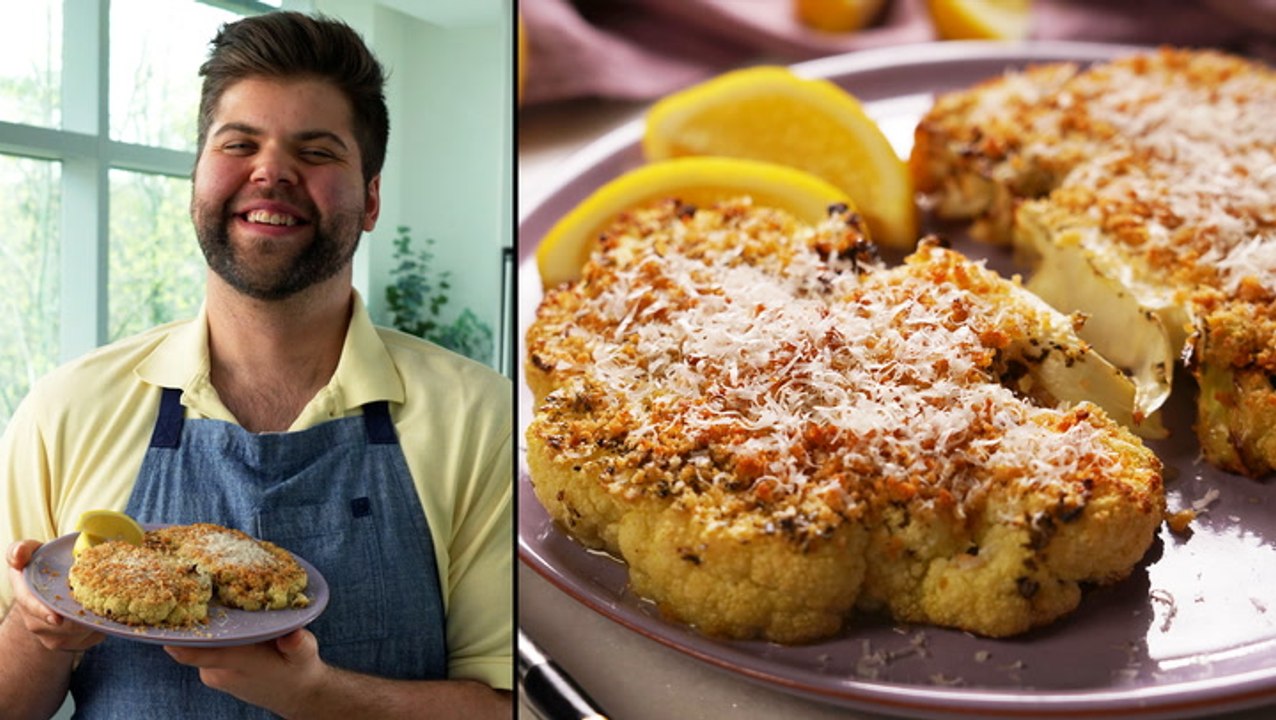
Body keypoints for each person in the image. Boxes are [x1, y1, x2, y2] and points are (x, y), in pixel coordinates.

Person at [0, 11, 512, 719]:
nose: (271, 172)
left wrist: (318, 696)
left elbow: (512, 704)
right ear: (196, 179)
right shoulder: (66, 408)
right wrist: (41, 634)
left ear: (369, 198)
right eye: (239, 142)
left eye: (318, 150)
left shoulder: (482, 419)